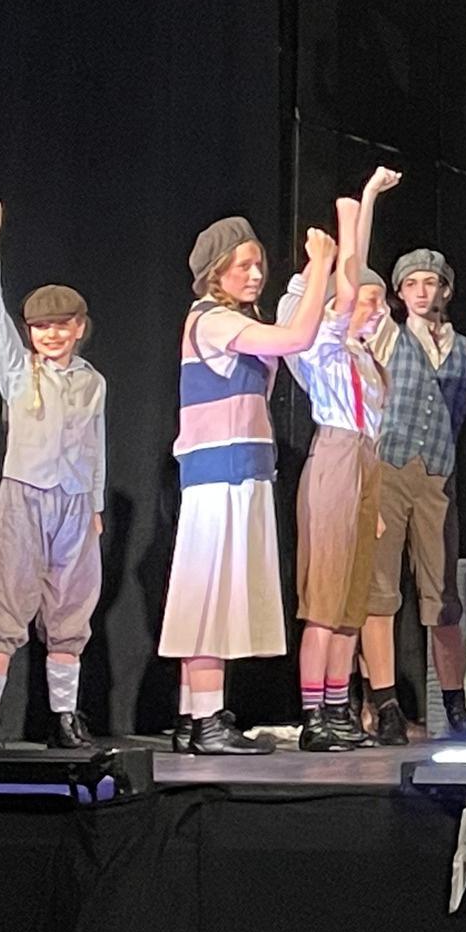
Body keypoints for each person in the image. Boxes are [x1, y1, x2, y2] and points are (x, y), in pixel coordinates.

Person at [160, 214, 338, 756]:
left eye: (259, 264)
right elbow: (297, 336)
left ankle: (194, 718)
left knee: (211, 595)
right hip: (221, 475)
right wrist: (321, 264)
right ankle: (207, 721)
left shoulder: (235, 322)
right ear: (216, 272)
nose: (256, 274)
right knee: (208, 597)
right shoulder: (211, 319)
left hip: (241, 471)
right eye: (244, 265)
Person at [0, 203, 104, 751]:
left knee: (70, 612)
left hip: (74, 504)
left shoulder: (92, 382)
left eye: (61, 325)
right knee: (3, 605)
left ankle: (64, 718)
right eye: (41, 326)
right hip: (23, 497)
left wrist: (95, 505)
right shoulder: (18, 371)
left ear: (79, 328)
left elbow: (96, 446)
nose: (51, 334)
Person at [279, 176, 397, 753]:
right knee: (324, 600)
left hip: (366, 464)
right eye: (365, 301)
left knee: (352, 603)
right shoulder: (322, 346)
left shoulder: (366, 356)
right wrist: (353, 215)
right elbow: (346, 290)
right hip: (335, 456)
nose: (373, 307)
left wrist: (366, 205)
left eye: (380, 301)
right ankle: (313, 716)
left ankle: (337, 705)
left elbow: (357, 282)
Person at [363, 246, 466, 744]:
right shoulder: (387, 336)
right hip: (388, 468)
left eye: (431, 282)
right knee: (380, 591)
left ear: (447, 290)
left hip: (437, 478)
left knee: (442, 596)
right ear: (399, 293)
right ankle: (385, 704)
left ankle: (455, 707)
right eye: (412, 284)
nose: (422, 292)